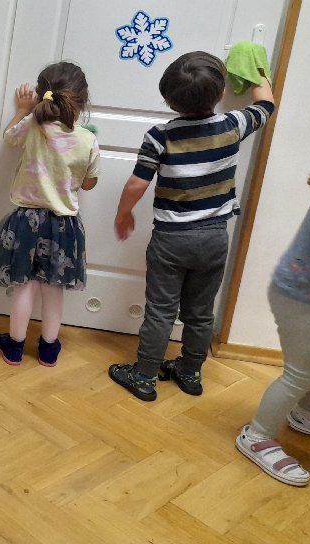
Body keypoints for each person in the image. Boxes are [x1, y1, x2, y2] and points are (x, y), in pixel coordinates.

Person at [109, 51, 274, 401]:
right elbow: (267, 104)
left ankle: (144, 376)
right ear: (220, 93)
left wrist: (123, 213)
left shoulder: (160, 136)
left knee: (160, 311)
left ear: (169, 98)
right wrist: (254, 63)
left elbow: (137, 183)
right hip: (214, 238)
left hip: (170, 240)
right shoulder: (233, 125)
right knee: (200, 312)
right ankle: (189, 371)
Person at [0, 62, 100, 367]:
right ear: (83, 101)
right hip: (65, 226)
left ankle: (15, 347)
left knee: (25, 285)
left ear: (41, 94)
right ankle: (48, 349)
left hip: (26, 222)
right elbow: (89, 183)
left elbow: (9, 138)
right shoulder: (87, 139)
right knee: (53, 288)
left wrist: (23, 109)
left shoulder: (33, 124)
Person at [236, 173, 310, 487]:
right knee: (301, 374)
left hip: (306, 292)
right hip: (302, 298)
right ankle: (257, 436)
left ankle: (308, 414)